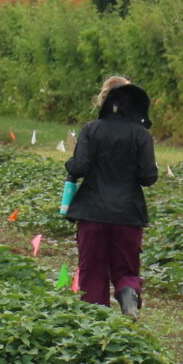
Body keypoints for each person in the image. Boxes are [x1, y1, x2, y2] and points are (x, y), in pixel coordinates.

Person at [64, 76, 157, 317]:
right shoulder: (141, 135)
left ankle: (98, 325)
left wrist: (70, 164)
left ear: (104, 100)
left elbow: (80, 168)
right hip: (128, 214)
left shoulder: (91, 129)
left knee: (92, 272)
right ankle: (128, 296)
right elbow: (148, 177)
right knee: (126, 268)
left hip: (92, 213)